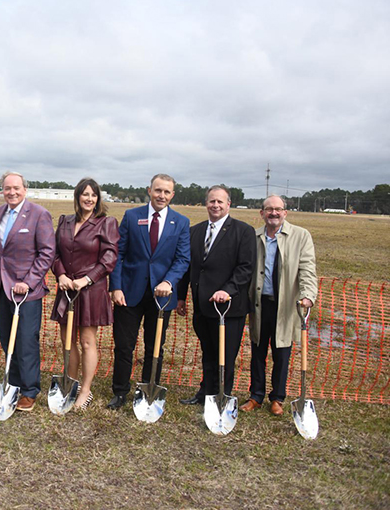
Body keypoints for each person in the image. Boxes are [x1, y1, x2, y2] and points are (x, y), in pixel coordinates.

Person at [107, 174, 191, 409]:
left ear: (172, 195)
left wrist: (169, 282)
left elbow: (183, 259)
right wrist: (116, 286)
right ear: (149, 191)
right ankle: (120, 391)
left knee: (155, 346)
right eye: (157, 191)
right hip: (129, 293)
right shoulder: (132, 217)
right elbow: (119, 254)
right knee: (124, 345)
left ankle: (147, 388)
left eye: (166, 192)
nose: (161, 195)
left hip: (161, 297)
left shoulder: (181, 222)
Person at [177, 185, 255, 405]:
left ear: (228, 204)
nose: (216, 205)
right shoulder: (196, 231)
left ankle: (222, 397)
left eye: (220, 201)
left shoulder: (243, 231)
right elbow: (189, 267)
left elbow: (245, 268)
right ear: (206, 203)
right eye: (212, 201)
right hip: (203, 306)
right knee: (208, 353)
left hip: (229, 309)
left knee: (225, 356)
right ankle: (205, 393)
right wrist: (181, 297)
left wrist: (227, 290)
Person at [241, 195, 317, 415]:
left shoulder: (301, 236)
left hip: (285, 305)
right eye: (269, 209)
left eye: (278, 209)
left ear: (285, 212)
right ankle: (255, 396)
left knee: (281, 352)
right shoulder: (252, 237)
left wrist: (308, 295)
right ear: (262, 213)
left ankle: (277, 398)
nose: (273, 213)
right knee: (257, 349)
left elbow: (307, 270)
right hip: (259, 304)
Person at [50, 178, 119, 409]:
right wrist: (60, 275)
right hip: (66, 288)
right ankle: (70, 383)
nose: (89, 199)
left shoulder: (106, 223)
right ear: (77, 196)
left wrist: (86, 279)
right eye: (85, 194)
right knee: (67, 340)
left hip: (90, 290)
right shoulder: (65, 221)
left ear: (98, 199)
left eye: (93, 195)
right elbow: (56, 253)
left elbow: (110, 257)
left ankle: (85, 390)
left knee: (87, 342)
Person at [0, 171, 55, 412]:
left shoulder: (39, 214)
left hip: (26, 291)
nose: (12, 192)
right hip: (1, 287)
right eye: (7, 188)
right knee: (8, 339)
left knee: (26, 341)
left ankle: (29, 390)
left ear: (25, 190)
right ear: (2, 191)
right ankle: (14, 384)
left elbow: (47, 251)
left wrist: (28, 282)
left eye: (16, 188)